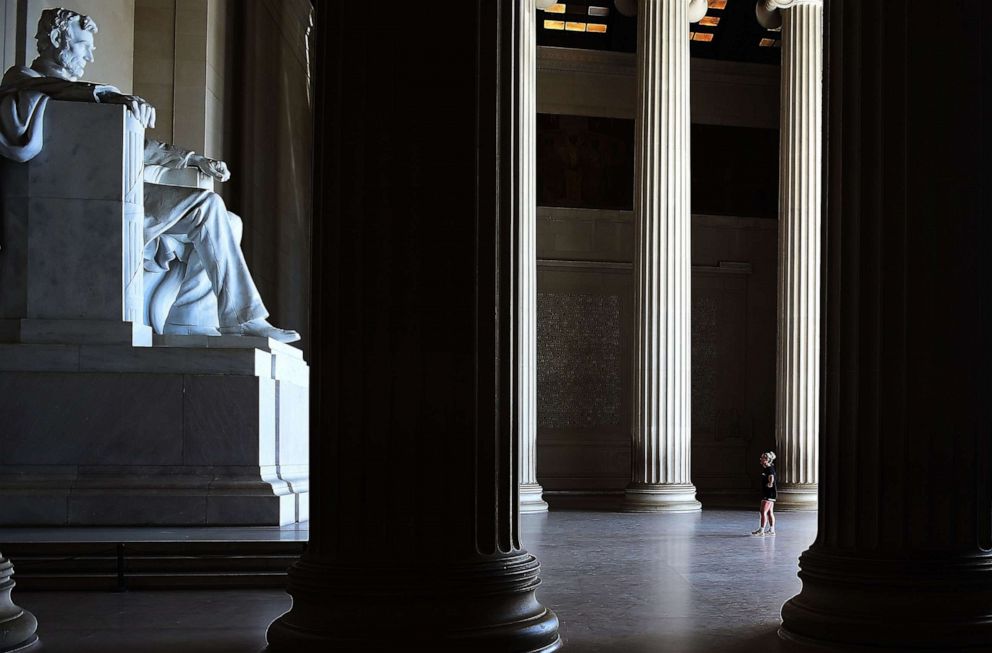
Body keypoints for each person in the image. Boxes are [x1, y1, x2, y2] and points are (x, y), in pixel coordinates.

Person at [0, 8, 299, 343]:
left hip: (112, 190)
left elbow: (139, 149)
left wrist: (192, 159)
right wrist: (107, 94)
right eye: (84, 44)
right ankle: (244, 319)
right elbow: (43, 91)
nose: (91, 53)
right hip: (84, 201)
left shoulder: (76, 93)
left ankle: (188, 323)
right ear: (57, 40)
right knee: (207, 207)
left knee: (230, 223)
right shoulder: (23, 84)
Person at [751, 451, 777, 536]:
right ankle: (771, 530)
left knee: (763, 512)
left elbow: (771, 477)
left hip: (769, 494)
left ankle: (761, 530)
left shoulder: (769, 468)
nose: (760, 459)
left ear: (766, 459)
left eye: (762, 458)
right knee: (769, 512)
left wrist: (770, 483)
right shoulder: (768, 468)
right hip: (770, 493)